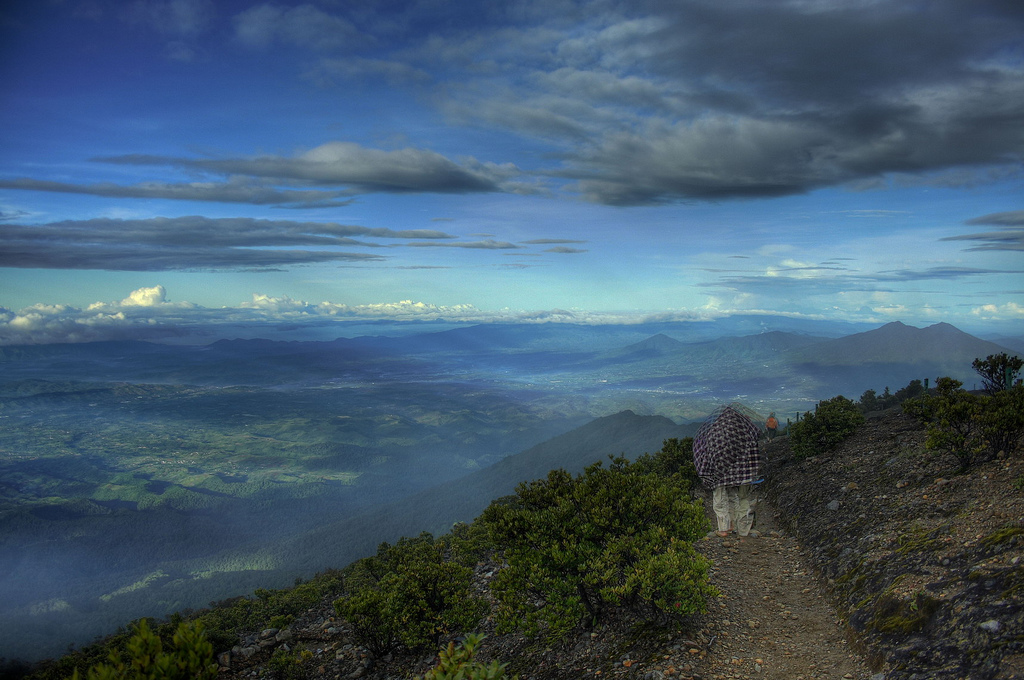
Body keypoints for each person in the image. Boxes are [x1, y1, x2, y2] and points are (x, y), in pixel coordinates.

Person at [692, 403, 764, 539]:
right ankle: (743, 530)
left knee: (720, 499)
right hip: (744, 475)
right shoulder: (747, 433)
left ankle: (725, 528)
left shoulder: (716, 435)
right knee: (743, 499)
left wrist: (709, 475)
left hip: (720, 474)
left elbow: (705, 454)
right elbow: (755, 454)